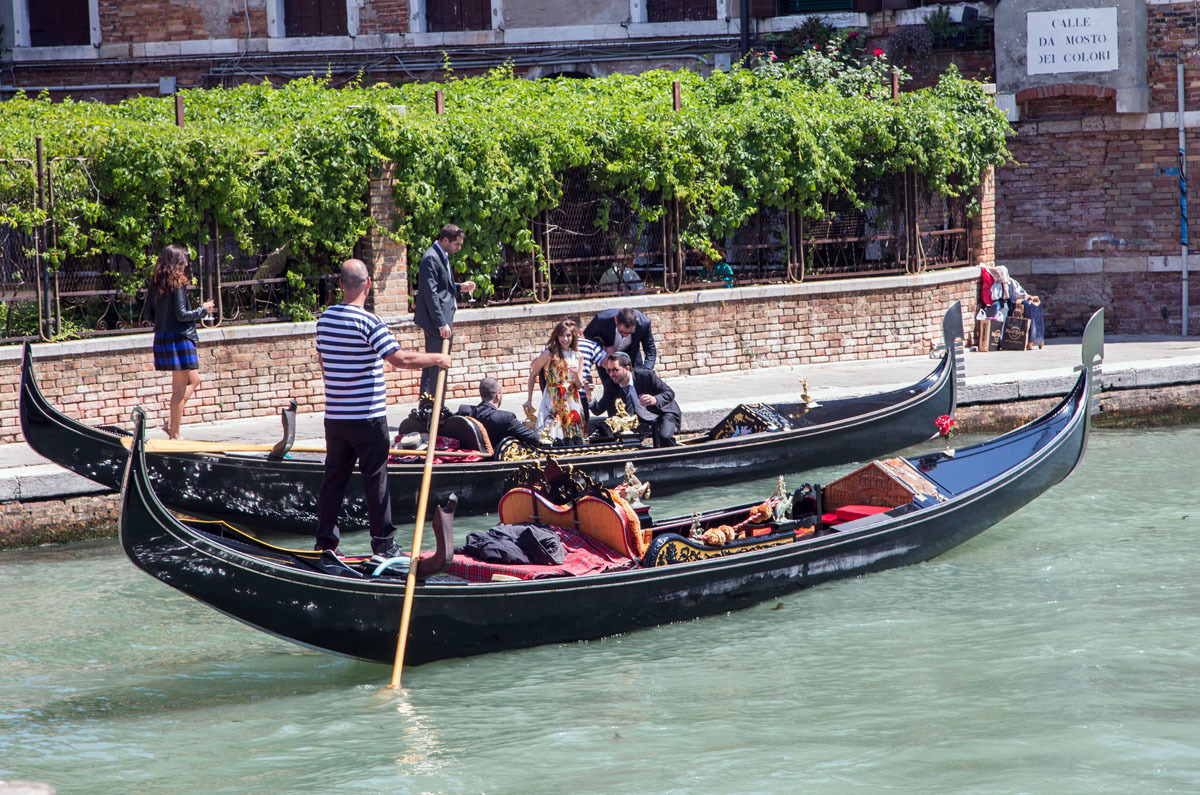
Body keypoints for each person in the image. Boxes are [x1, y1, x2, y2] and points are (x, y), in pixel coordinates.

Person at [316, 259, 451, 561]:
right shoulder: (369, 322)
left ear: (340, 285)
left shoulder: (324, 319)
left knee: (333, 479)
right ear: (367, 285)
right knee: (375, 479)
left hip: (335, 417)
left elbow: (324, 363)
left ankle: (324, 543)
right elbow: (400, 359)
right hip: (367, 418)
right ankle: (384, 545)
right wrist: (437, 359)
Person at [146, 244, 215, 440]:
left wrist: (164, 322)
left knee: (194, 379)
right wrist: (204, 310)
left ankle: (172, 421)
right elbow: (182, 314)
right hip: (180, 339)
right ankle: (174, 434)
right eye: (183, 260)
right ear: (176, 263)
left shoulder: (156, 284)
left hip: (163, 338)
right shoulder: (178, 284)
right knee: (178, 390)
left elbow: (148, 315)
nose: (185, 264)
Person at [413, 223, 475, 398]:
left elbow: (441, 288)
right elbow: (430, 293)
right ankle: (431, 406)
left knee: (437, 363)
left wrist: (459, 287)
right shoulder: (431, 258)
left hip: (442, 320)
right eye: (457, 244)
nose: (459, 247)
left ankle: (433, 405)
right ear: (446, 240)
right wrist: (441, 322)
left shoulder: (442, 255)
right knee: (436, 364)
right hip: (437, 323)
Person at [589, 352, 680, 447]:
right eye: (609, 371)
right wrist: (589, 396)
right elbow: (599, 410)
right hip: (640, 419)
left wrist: (655, 399)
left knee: (665, 437)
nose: (611, 374)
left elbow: (669, 393)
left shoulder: (646, 375)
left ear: (627, 368)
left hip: (664, 412)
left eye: (615, 370)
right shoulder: (610, 385)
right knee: (626, 441)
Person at [523, 319, 585, 444]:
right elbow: (533, 374)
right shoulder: (548, 354)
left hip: (572, 400)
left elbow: (579, 385)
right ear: (557, 336)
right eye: (562, 335)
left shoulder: (578, 356)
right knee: (550, 434)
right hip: (552, 398)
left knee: (573, 437)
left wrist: (575, 374)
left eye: (568, 335)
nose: (565, 339)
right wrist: (529, 399)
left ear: (573, 337)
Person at [458, 376, 540, 451]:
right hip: (497, 462)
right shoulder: (506, 418)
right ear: (498, 395)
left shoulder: (464, 411)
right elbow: (534, 438)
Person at [584, 307, 657, 390]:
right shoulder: (602, 319)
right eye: (622, 332)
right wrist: (604, 348)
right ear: (616, 321)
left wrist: (646, 371)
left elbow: (650, 349)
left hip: (631, 358)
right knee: (611, 391)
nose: (625, 335)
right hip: (608, 358)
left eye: (629, 333)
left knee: (636, 390)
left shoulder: (644, 323)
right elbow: (588, 334)